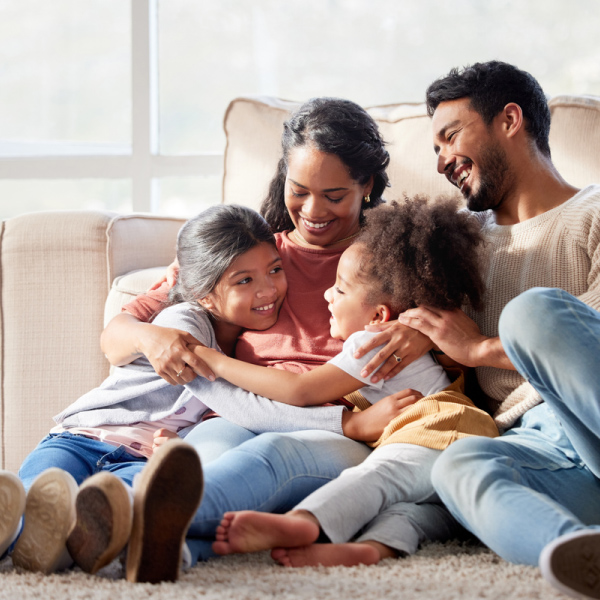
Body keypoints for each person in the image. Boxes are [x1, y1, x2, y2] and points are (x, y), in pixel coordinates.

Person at [100, 97, 459, 572]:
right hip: (242, 410)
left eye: (334, 196)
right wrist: (152, 340)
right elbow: (119, 332)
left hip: (334, 426)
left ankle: (120, 523)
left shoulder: (389, 258)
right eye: (299, 190)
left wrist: (424, 333)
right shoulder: (250, 250)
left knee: (272, 457)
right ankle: (168, 551)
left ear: (366, 185)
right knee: (205, 459)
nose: (313, 211)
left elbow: (460, 336)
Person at [0, 205, 385, 581]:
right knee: (37, 495)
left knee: (105, 519)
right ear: (204, 295)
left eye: (275, 270)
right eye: (244, 281)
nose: (269, 289)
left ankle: (44, 549)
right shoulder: (183, 327)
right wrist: (345, 423)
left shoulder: (250, 342)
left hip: (143, 460)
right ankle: (16, 532)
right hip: (79, 439)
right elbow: (241, 406)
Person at [375, 61, 600, 599]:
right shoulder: (454, 240)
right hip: (537, 446)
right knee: (458, 465)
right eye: (433, 149)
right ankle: (582, 563)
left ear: (510, 119)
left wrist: (479, 348)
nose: (441, 161)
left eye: (450, 136)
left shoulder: (594, 211)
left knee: (532, 312)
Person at [189, 197, 498, 567]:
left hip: (442, 430)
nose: (326, 295)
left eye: (340, 289)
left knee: (378, 477)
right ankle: (369, 550)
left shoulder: (371, 342)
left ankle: (304, 523)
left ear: (379, 314)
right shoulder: (395, 335)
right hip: (453, 440)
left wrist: (216, 361)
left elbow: (299, 390)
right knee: (411, 509)